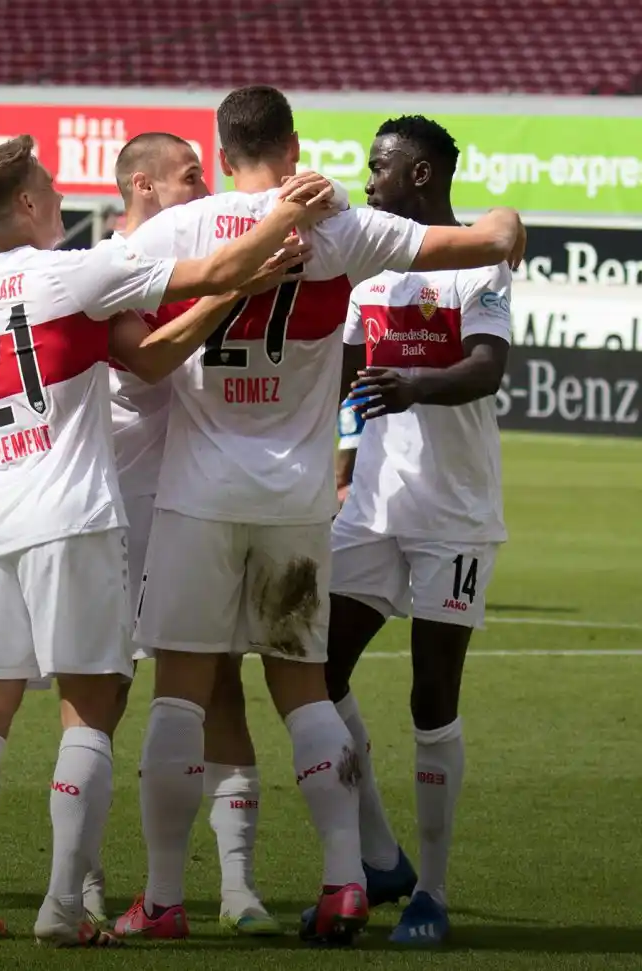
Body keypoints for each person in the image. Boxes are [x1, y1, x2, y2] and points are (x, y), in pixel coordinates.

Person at [112, 85, 525, 945]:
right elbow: (490, 237)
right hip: (302, 503)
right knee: (305, 691)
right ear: (295, 146)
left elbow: (114, 326)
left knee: (179, 698)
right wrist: (506, 219)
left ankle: (162, 897)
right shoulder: (344, 231)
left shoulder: (179, 231)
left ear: (222, 156)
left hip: (200, 495)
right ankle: (347, 880)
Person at [0, 134, 333, 947]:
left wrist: (223, 294)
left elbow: (148, 356)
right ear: (25, 201)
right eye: (45, 183)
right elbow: (215, 273)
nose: (56, 191)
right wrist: (285, 214)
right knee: (94, 710)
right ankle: (64, 904)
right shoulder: (74, 270)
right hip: (81, 511)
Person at [86, 130, 302, 936]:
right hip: (115, 506)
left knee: (218, 685)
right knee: (101, 690)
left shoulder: (198, 252)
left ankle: (239, 887)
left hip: (193, 501)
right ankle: (86, 875)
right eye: (188, 177)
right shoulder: (107, 270)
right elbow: (148, 361)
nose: (204, 187)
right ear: (142, 186)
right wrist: (238, 282)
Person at [325, 115, 514, 947]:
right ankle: (378, 855)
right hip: (370, 508)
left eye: (381, 167)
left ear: (423, 174)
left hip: (453, 513)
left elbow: (486, 366)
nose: (369, 180)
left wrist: (414, 383)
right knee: (313, 667)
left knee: (431, 694)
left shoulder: (477, 259)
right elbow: (339, 378)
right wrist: (335, 463)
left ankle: (430, 891)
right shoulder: (370, 273)